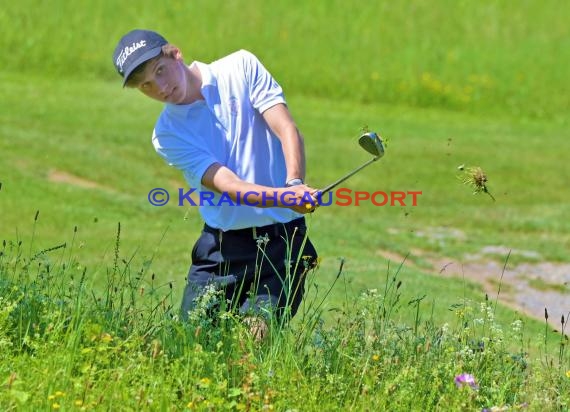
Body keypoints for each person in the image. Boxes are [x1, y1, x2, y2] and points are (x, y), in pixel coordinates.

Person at [112, 29, 319, 338]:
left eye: (160, 71)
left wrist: (294, 182)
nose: (161, 88)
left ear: (175, 54)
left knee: (255, 340)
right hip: (221, 250)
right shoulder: (167, 134)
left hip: (281, 241)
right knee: (190, 344)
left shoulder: (241, 66)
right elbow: (229, 185)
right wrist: (284, 197)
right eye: (146, 85)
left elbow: (286, 127)